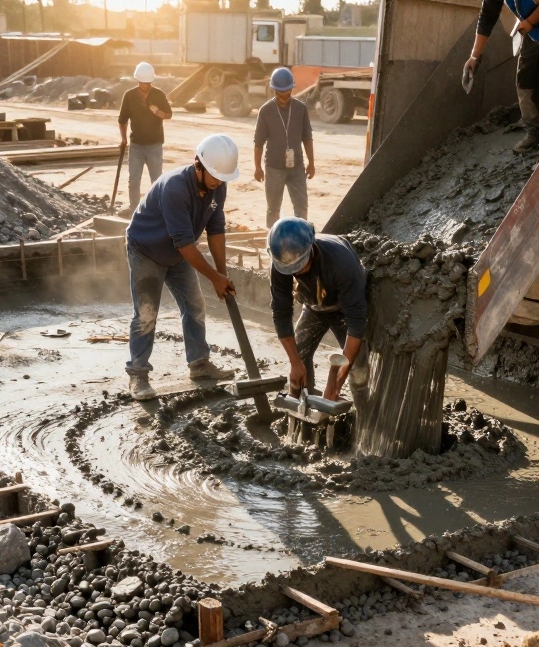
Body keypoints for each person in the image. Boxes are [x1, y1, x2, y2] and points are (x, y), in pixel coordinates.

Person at [124, 134, 241, 401]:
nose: (219, 182)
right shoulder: (175, 187)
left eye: (222, 177)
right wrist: (213, 277)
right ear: (197, 164)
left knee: (195, 304)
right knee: (146, 314)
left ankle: (199, 364)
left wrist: (221, 274)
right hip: (147, 250)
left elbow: (216, 229)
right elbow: (185, 244)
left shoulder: (217, 184)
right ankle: (138, 375)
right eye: (214, 175)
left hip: (178, 255)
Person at [464, 0, 539, 154]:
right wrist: (474, 57)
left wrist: (529, 22)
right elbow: (488, 16)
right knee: (525, 81)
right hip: (535, 30)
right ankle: (536, 131)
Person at [268, 217, 366, 400]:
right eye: (291, 271)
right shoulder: (281, 263)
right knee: (300, 354)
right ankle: (303, 408)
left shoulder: (341, 263)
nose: (295, 273)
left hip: (342, 309)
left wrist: (338, 381)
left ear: (311, 248)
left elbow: (356, 322)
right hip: (313, 306)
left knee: (358, 370)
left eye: (300, 267)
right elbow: (281, 312)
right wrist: (295, 363)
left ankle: (361, 415)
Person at [253, 68, 315, 228]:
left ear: (291, 89)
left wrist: (312, 163)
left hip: (297, 167)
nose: (283, 97)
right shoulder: (266, 111)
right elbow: (258, 142)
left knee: (301, 207)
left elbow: (307, 137)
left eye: (286, 92)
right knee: (273, 209)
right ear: (274, 90)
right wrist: (257, 167)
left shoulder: (300, 109)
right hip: (274, 168)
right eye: (280, 93)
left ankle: (301, 239)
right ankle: (272, 240)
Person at [118, 62, 173, 213]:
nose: (146, 86)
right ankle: (134, 207)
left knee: (156, 180)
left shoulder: (159, 94)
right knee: (134, 179)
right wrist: (123, 139)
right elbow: (122, 120)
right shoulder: (129, 96)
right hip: (136, 145)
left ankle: (157, 209)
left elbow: (169, 114)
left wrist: (158, 113)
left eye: (149, 83)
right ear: (137, 80)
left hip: (155, 145)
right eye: (143, 83)